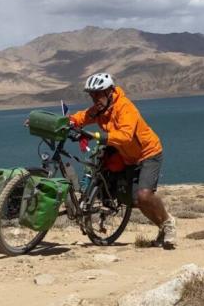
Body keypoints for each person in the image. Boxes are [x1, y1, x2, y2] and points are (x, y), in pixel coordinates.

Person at [69, 72, 176, 249]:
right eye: (92, 95)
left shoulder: (125, 108)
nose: (95, 98)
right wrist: (64, 122)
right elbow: (81, 117)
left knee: (144, 195)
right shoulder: (100, 109)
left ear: (110, 91)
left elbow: (126, 136)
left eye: (98, 94)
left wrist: (98, 136)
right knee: (134, 200)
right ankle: (161, 227)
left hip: (148, 153)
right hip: (127, 157)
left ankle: (168, 222)